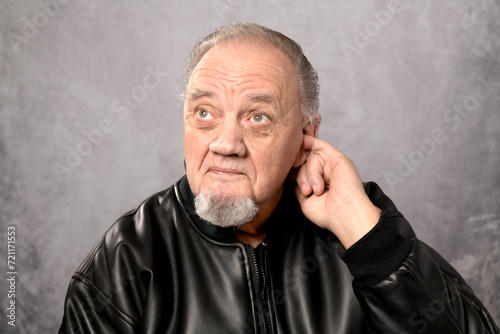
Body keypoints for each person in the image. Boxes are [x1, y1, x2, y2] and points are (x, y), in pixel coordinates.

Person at [59, 22, 499, 333]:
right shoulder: (127, 256)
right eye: (205, 113)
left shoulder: (363, 223)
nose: (225, 143)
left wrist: (368, 242)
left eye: (258, 117)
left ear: (306, 134)